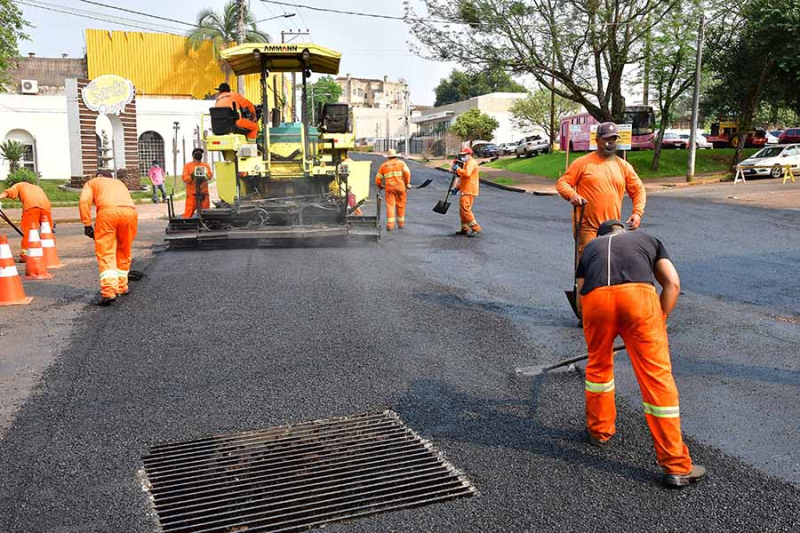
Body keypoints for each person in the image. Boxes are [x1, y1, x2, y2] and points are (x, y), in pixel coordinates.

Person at [576, 219, 706, 488]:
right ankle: (676, 465)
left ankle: (599, 431)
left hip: (595, 301)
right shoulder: (647, 240)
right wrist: (660, 318)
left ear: (601, 235)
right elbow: (672, 283)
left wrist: (594, 324)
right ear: (624, 230)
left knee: (599, 367)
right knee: (656, 379)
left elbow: (579, 293)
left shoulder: (589, 248)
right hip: (639, 299)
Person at [556, 122, 646, 256]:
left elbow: (638, 190)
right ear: (597, 140)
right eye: (606, 139)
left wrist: (637, 213)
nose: (610, 143)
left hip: (612, 227)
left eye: (613, 139)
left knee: (610, 265)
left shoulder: (623, 166)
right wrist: (572, 195)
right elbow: (562, 183)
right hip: (587, 227)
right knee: (587, 264)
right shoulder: (582, 163)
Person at [79, 170, 138, 306]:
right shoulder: (119, 183)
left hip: (107, 213)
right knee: (124, 249)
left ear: (98, 176)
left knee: (106, 252)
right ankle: (122, 286)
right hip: (130, 212)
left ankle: (109, 291)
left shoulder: (92, 183)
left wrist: (87, 224)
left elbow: (84, 201)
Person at [0, 181, 52, 263]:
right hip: (46, 207)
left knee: (29, 231)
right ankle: (49, 253)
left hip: (31, 206)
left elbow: (9, 192)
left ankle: (26, 255)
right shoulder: (36, 187)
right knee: (47, 231)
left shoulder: (19, 185)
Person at [375, 149, 411, 231]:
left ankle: (390, 226)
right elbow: (407, 172)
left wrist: (380, 186)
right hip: (400, 187)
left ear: (388, 157)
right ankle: (401, 224)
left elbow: (378, 178)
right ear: (396, 155)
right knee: (400, 205)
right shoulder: (401, 163)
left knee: (390, 206)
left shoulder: (383, 165)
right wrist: (407, 183)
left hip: (389, 188)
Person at [453, 147, 481, 236]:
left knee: (465, 209)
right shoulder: (467, 163)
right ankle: (464, 228)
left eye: (464, 155)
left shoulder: (471, 163)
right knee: (462, 210)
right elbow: (463, 178)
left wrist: (457, 169)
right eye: (461, 155)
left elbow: (467, 173)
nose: (462, 157)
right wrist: (457, 187)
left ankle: (475, 228)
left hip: (469, 190)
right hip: (465, 189)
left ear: (469, 154)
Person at [182, 148, 214, 218]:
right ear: (193, 155)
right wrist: (192, 176)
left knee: (206, 214)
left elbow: (210, 176)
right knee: (188, 213)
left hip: (204, 194)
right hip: (192, 194)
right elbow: (185, 179)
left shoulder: (205, 165)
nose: (199, 154)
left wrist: (205, 174)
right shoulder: (188, 166)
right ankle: (185, 225)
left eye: (200, 153)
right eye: (197, 152)